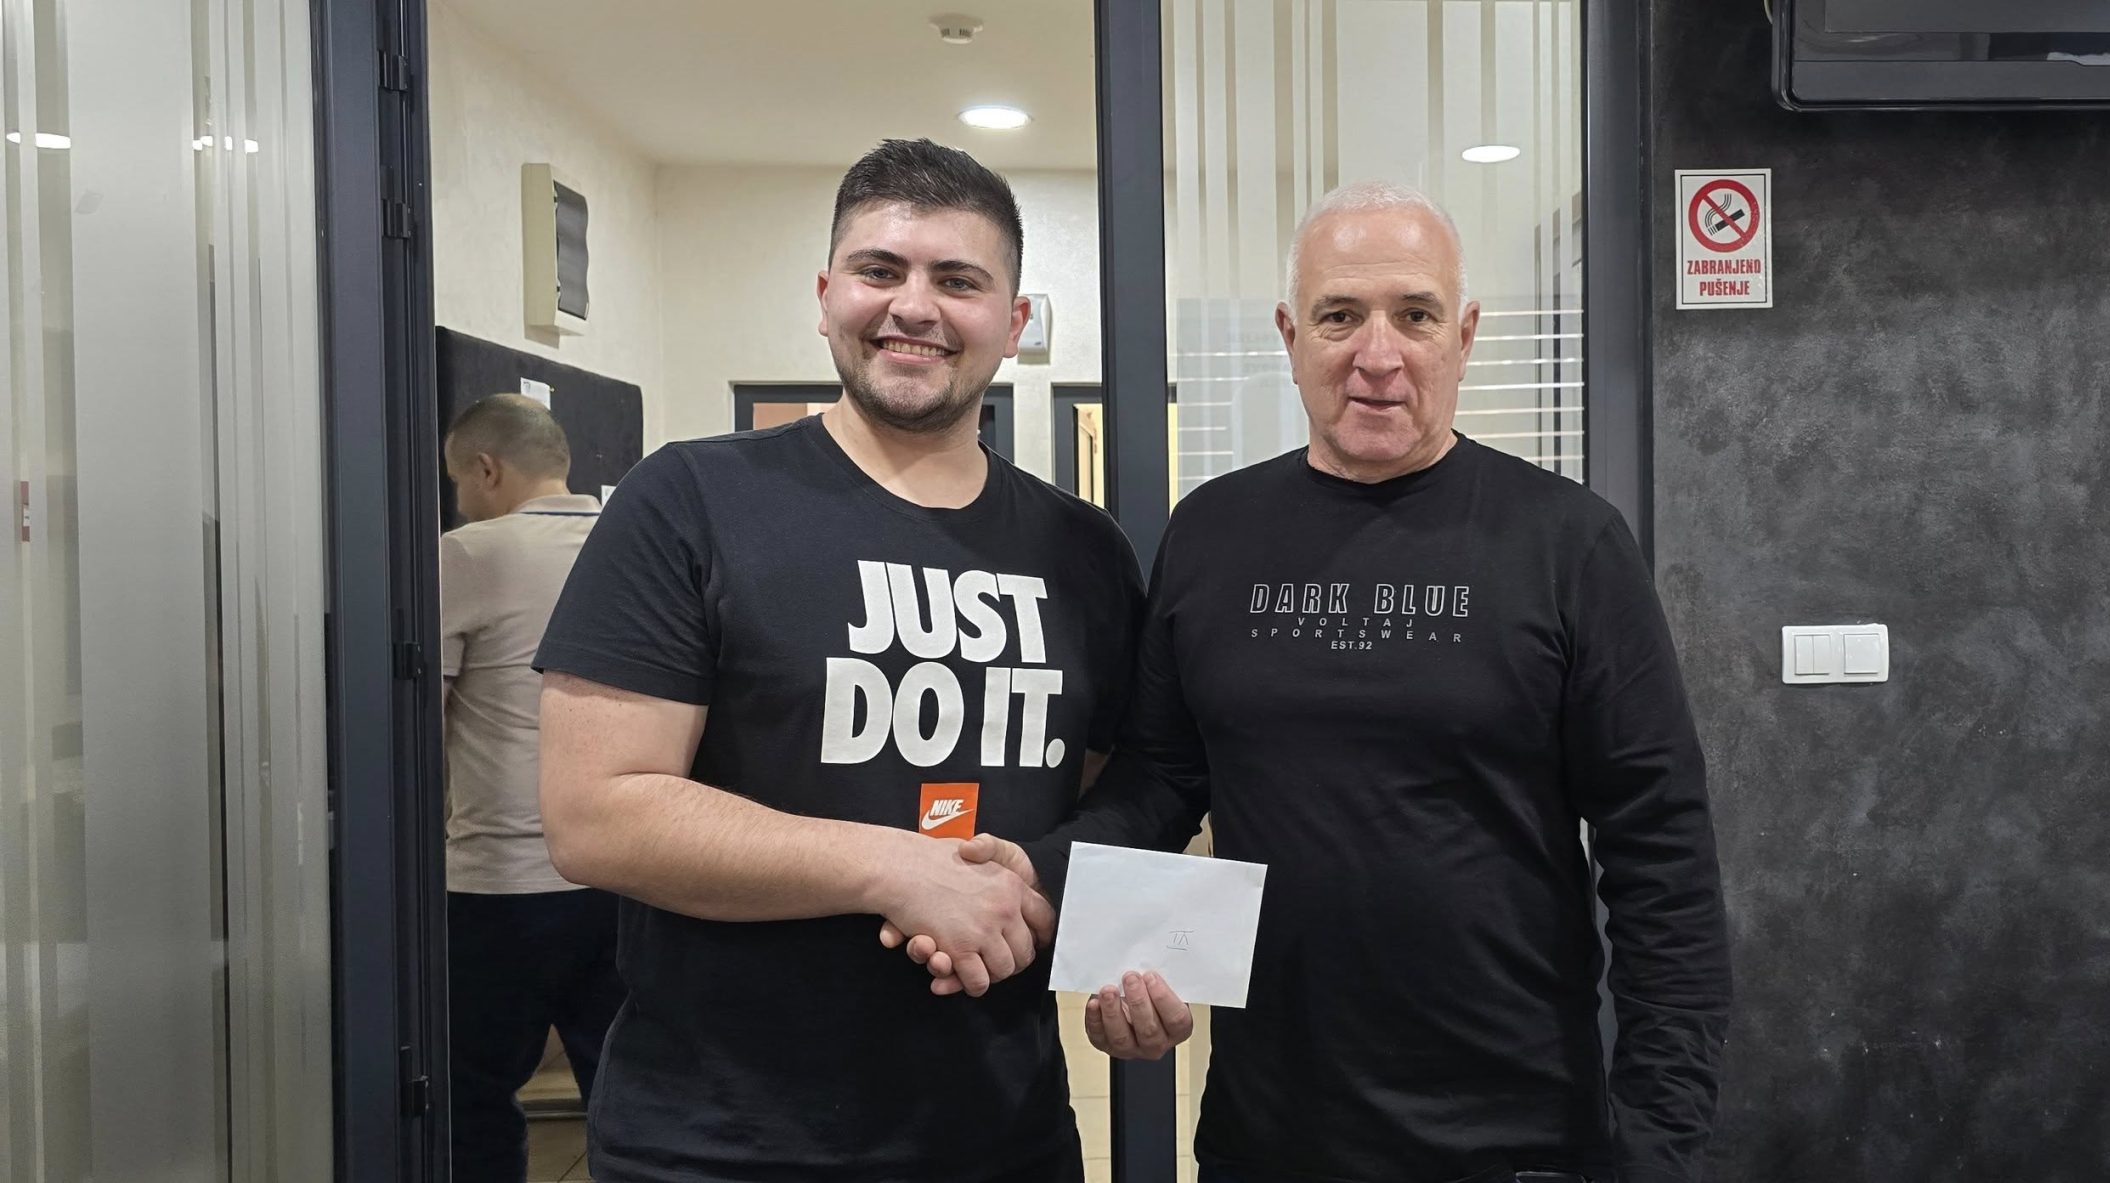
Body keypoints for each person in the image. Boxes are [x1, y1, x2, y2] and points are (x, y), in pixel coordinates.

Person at [903, 183, 1732, 1183]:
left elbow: (1661, 849)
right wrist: (1039, 879)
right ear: (1291, 337)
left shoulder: (1568, 542)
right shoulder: (1213, 533)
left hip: (1517, 1137)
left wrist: (1658, 1140)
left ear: (1464, 335)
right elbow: (1160, 782)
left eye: (1415, 315)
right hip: (1267, 1133)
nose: (1378, 354)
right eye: (1340, 316)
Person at [531, 139, 1140, 1181]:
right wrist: (891, 868)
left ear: (1014, 322)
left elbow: (1109, 796)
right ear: (826, 297)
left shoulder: (1084, 550)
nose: (914, 306)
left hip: (1003, 1129)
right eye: (879, 270)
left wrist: (1120, 946)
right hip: (719, 1143)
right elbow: (595, 814)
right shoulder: (689, 500)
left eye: (958, 280)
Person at [438, 392, 626, 1183]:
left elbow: (414, 721)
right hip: (623, 871)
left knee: (473, 1089)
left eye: (460, 480)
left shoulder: (470, 552)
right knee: (623, 1085)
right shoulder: (631, 541)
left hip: (500, 881)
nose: (461, 499)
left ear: (487, 469)